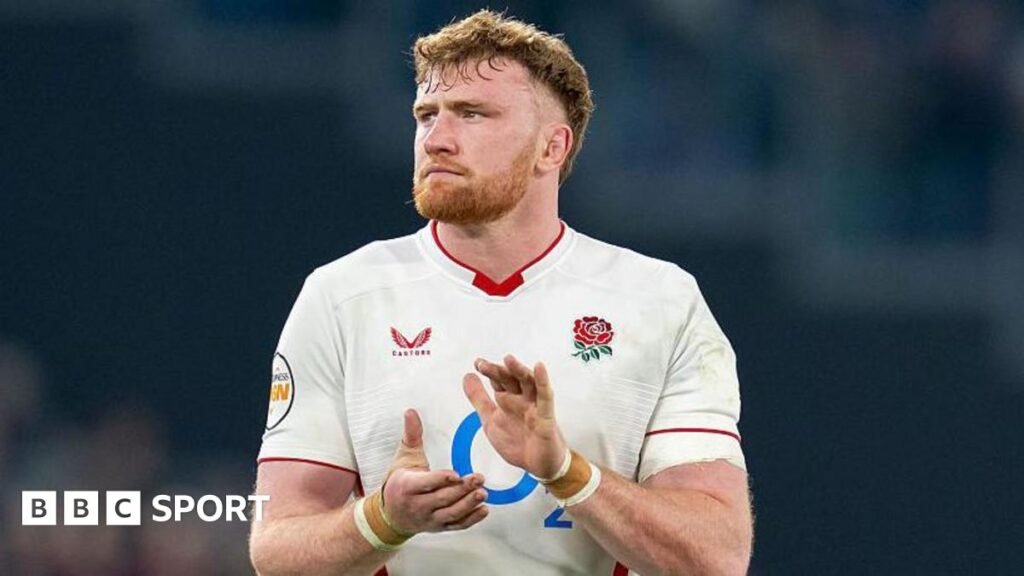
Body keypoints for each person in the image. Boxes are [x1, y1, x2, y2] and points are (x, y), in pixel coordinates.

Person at [249, 10, 752, 576]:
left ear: (551, 148)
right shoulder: (343, 296)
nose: (437, 140)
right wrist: (383, 519)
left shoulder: (660, 302)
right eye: (426, 115)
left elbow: (716, 557)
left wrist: (566, 472)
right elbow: (276, 550)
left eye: (472, 114)